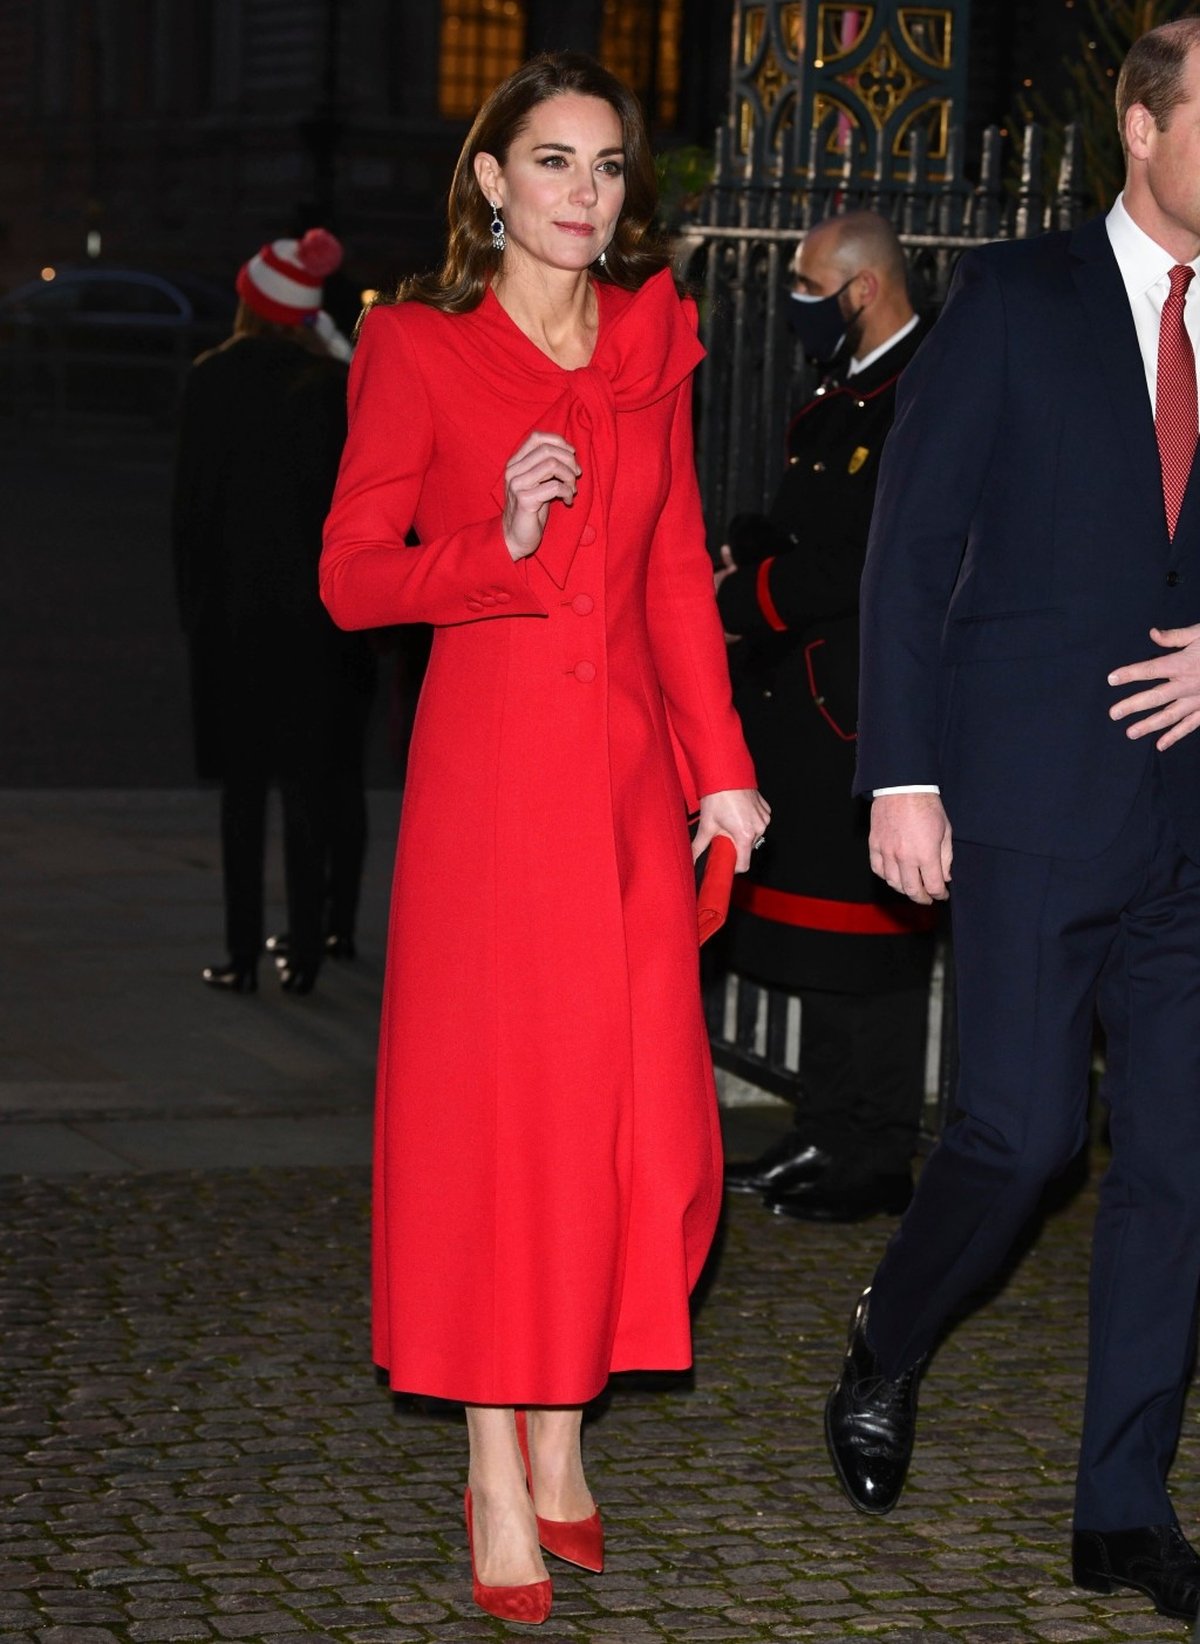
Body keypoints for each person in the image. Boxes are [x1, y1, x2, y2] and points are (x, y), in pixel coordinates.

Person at [318, 52, 768, 1627]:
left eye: (607, 167)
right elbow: (354, 576)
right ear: (491, 183)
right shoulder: (420, 351)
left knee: (640, 1125)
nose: (585, 193)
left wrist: (722, 770)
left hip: (631, 797)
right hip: (494, 802)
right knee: (502, 1130)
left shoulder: (653, 347)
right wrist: (493, 540)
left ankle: (567, 1425)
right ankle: (499, 1470)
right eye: (554, 163)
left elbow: (667, 587)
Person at [824, 19, 1200, 1624]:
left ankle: (1122, 1508)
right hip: (1031, 805)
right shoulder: (1017, 298)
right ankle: (886, 1340)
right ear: (1139, 124)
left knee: (1184, 1168)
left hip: (1193, 830)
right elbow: (909, 551)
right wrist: (901, 776)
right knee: (1022, 1135)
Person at [716, 212, 936, 1223]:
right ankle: (828, 1125)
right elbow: (818, 526)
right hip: (810, 703)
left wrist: (745, 596)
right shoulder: (846, 394)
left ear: (861, 289)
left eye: (809, 286)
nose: (798, 307)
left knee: (872, 947)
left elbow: (869, 561)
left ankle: (874, 1150)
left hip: (867, 711)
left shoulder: (922, 389)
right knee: (821, 943)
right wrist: (760, 549)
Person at [173, 228, 377, 996]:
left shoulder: (210, 379)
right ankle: (305, 951)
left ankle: (238, 954)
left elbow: (188, 512)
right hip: (316, 621)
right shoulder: (328, 388)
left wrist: (193, 608)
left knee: (241, 795)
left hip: (232, 619)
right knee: (307, 789)